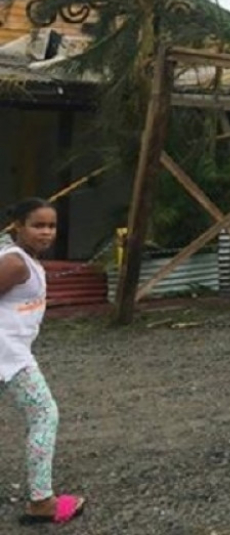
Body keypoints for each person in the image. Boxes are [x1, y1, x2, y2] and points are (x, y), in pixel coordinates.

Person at [0, 198, 85, 525]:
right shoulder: (16, 263)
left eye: (51, 226)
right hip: (9, 356)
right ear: (18, 227)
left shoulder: (23, 259)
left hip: (11, 353)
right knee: (44, 415)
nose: (46, 232)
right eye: (38, 225)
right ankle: (42, 502)